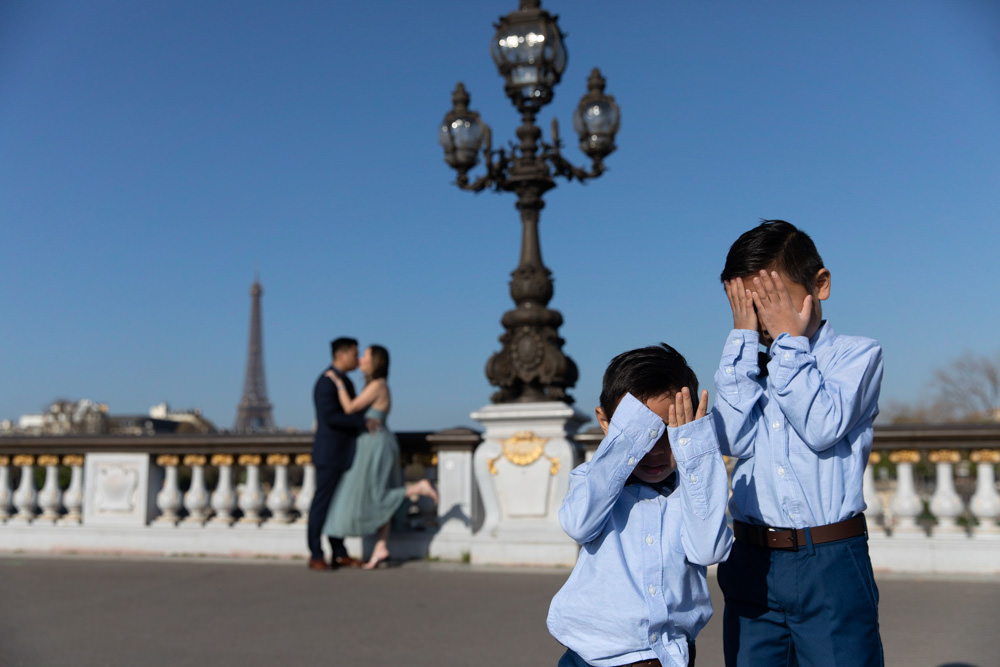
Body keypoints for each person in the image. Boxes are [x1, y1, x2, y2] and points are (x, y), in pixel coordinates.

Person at [712, 220, 885, 666]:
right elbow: (728, 437)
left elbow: (822, 424)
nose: (765, 320)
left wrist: (789, 344)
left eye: (773, 301)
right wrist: (741, 341)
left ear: (820, 285)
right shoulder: (750, 371)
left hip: (828, 560)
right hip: (751, 560)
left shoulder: (856, 356)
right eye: (751, 306)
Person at [547, 344, 733, 667]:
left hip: (670, 656)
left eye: (667, 430)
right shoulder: (594, 481)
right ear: (605, 423)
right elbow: (578, 524)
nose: (655, 449)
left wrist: (694, 450)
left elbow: (709, 550)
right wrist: (626, 441)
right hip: (591, 659)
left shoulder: (693, 493)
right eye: (642, 434)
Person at [322, 344, 438, 570]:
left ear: (375, 361)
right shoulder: (375, 385)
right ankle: (381, 547)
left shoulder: (377, 385)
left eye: (364, 356)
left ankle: (418, 488)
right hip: (375, 442)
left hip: (375, 445)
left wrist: (337, 383)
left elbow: (350, 408)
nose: (361, 359)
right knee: (380, 493)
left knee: (377, 493)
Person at [306, 337, 378, 571]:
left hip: (341, 452)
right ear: (342, 355)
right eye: (354, 354)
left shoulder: (342, 381)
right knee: (323, 504)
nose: (357, 360)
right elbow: (331, 418)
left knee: (338, 506)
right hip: (330, 453)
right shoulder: (327, 382)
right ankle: (316, 553)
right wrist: (361, 422)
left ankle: (338, 551)